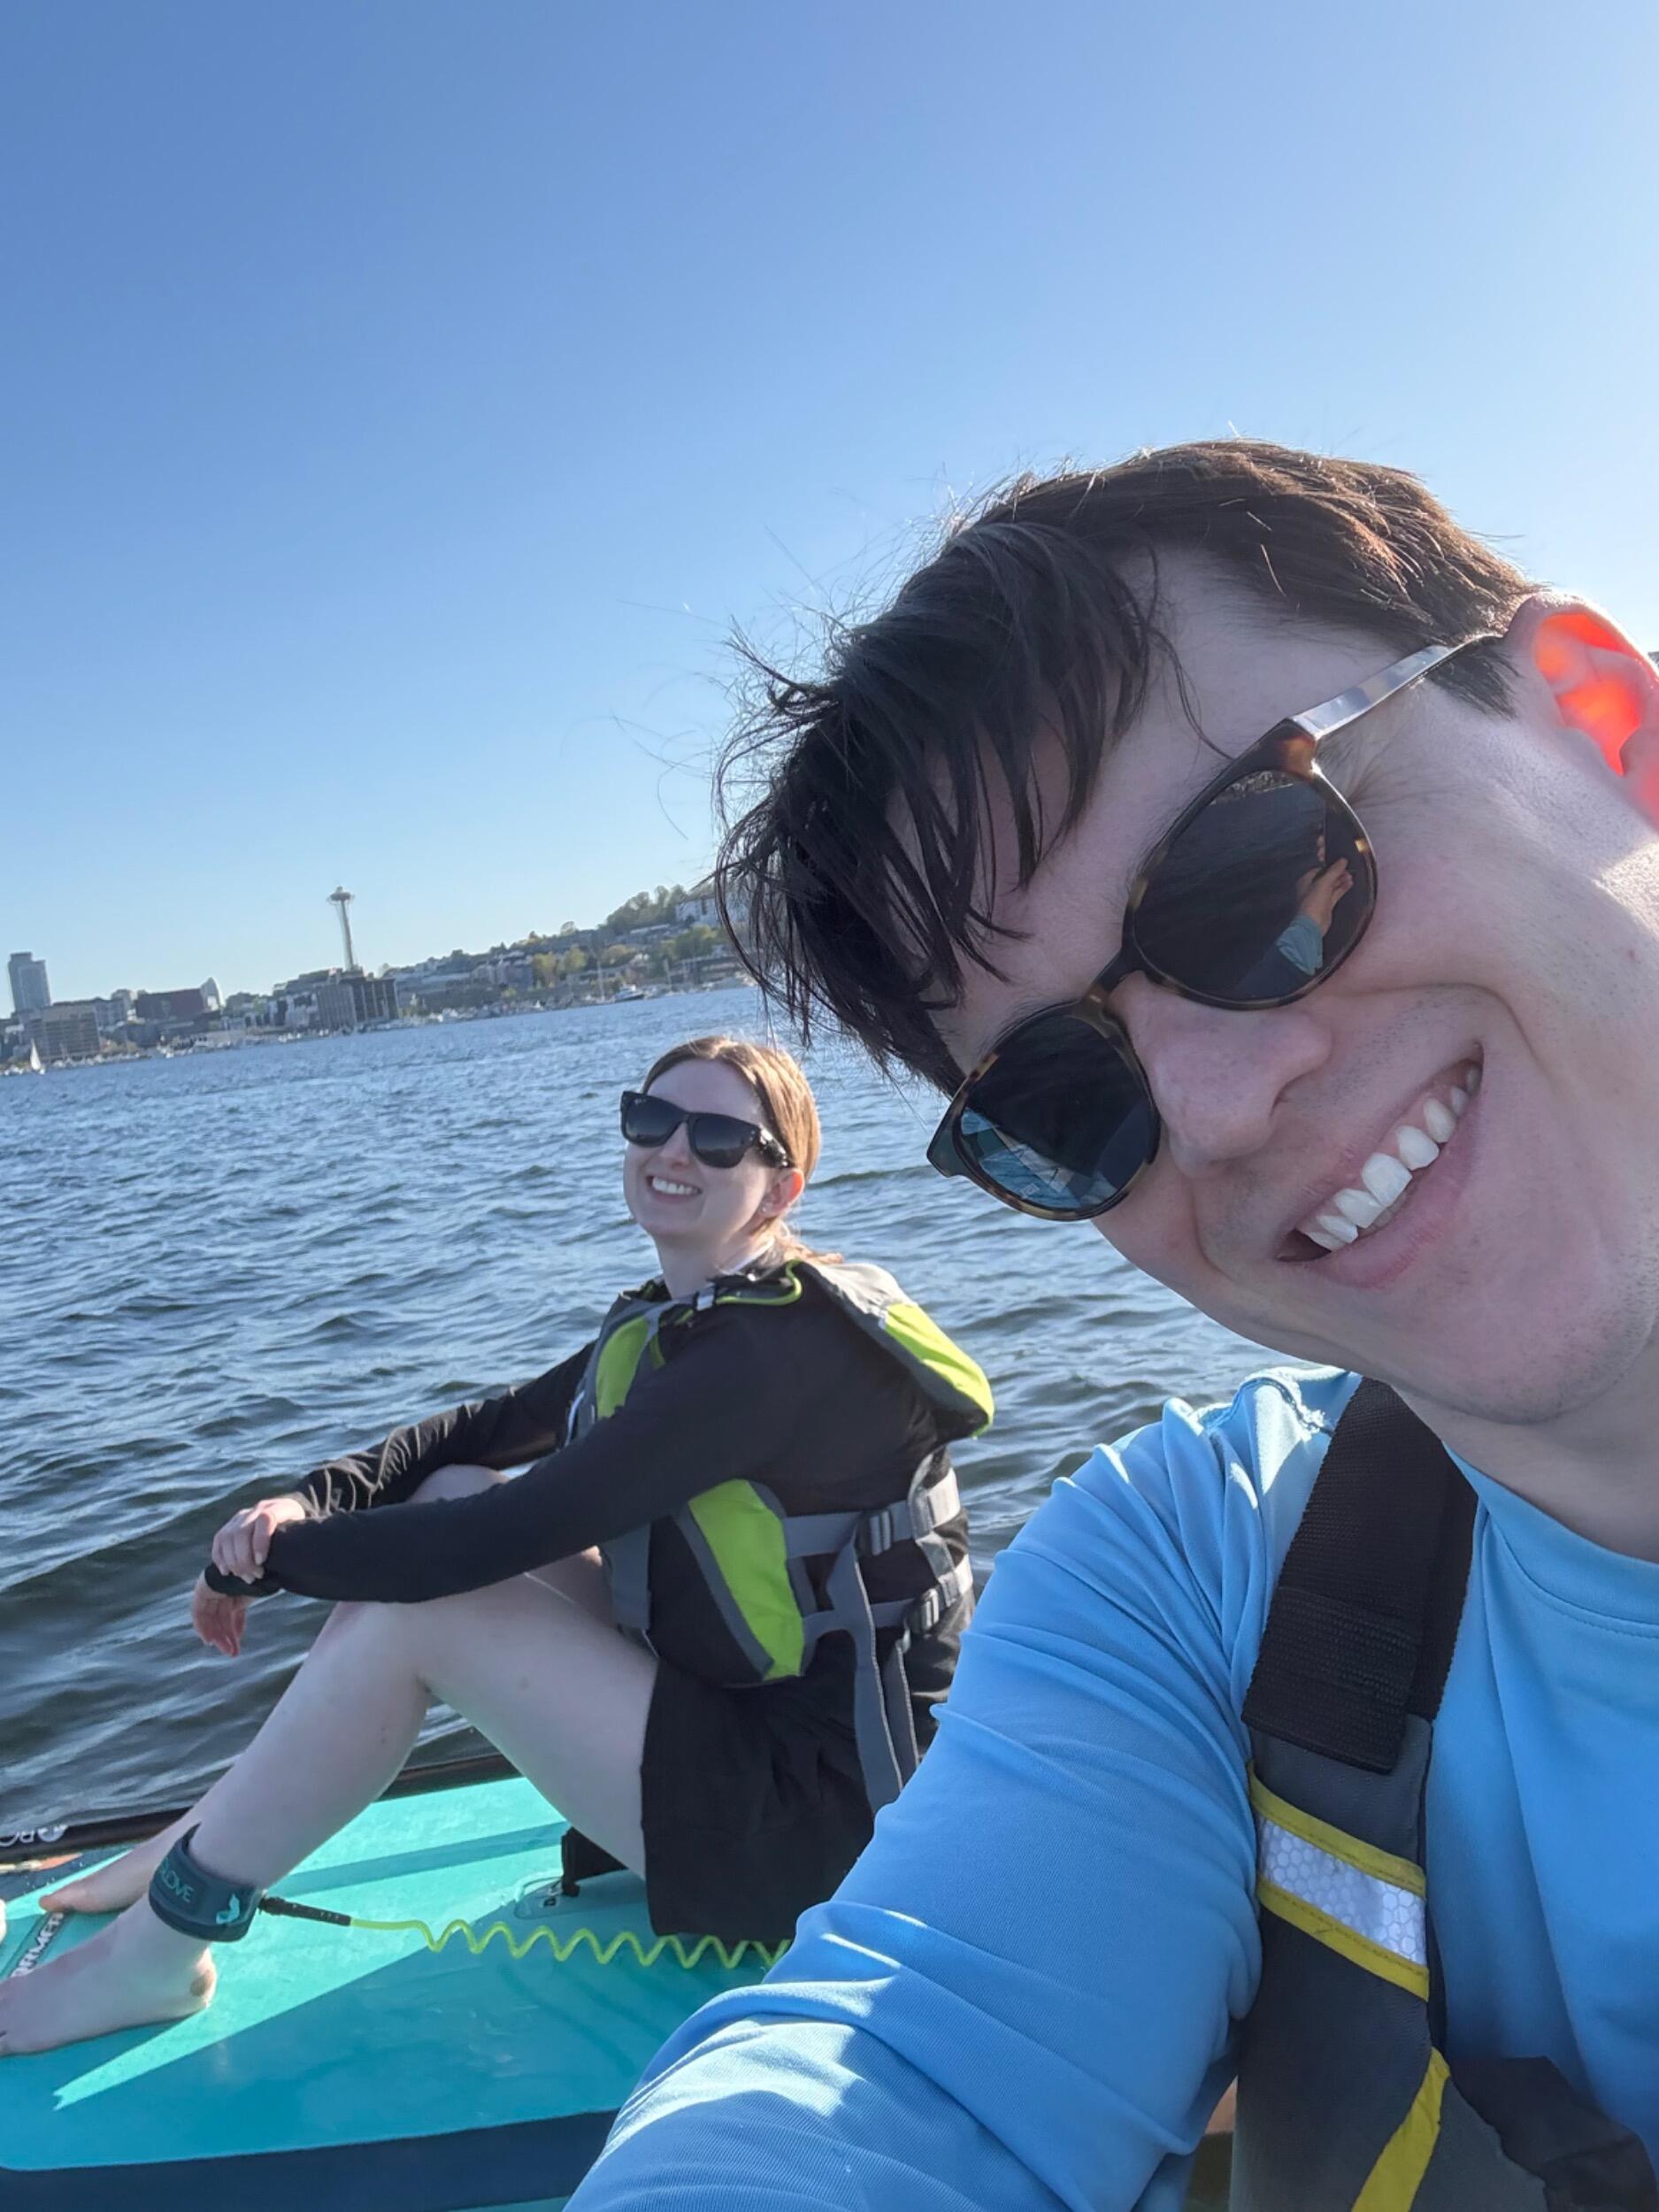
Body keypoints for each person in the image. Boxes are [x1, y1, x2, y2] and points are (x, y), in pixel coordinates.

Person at [563, 444, 1659, 2209]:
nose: (1216, 1109)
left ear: (1606, 721)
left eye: (1254, 875)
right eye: (1068, 1097)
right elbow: (910, 2064)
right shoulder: (1199, 1568)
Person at [0, 1033, 988, 2056]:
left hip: (825, 1833)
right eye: (652, 1121)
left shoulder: (768, 1360)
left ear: (779, 1187)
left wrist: (255, 1566)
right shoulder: (697, 1319)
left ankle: (160, 1952)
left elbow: (501, 1538)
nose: (675, 1151)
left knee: (437, 1594)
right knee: (449, 1487)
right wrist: (304, 1502)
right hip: (749, 1738)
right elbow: (479, 1435)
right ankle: (207, 1831)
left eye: (720, 1137)